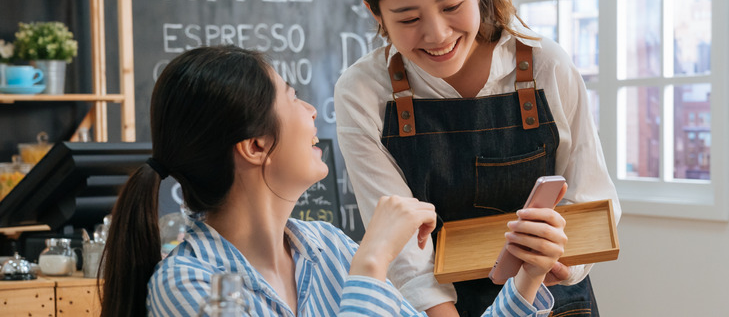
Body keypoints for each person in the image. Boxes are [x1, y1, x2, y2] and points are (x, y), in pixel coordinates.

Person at [99, 45, 567, 317]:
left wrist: (527, 278)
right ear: (256, 147)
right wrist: (372, 264)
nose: (309, 112)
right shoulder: (188, 285)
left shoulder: (327, 247)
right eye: (292, 97)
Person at [334, 0, 621, 317]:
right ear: (375, 14)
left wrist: (553, 262)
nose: (437, 35)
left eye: (452, 6)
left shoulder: (545, 66)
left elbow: (593, 199)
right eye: (409, 19)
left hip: (551, 297)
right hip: (440, 308)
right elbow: (404, 250)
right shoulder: (363, 92)